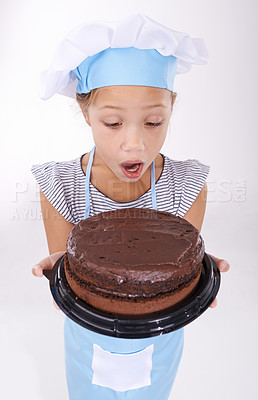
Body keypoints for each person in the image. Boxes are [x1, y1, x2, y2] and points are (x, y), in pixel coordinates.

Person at [31, 13, 230, 400]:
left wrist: (194, 270)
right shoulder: (60, 186)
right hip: (87, 342)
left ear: (171, 109)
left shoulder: (186, 185)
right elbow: (71, 281)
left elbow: (174, 262)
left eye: (154, 121)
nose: (134, 143)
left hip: (162, 342)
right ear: (86, 114)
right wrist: (60, 265)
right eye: (113, 123)